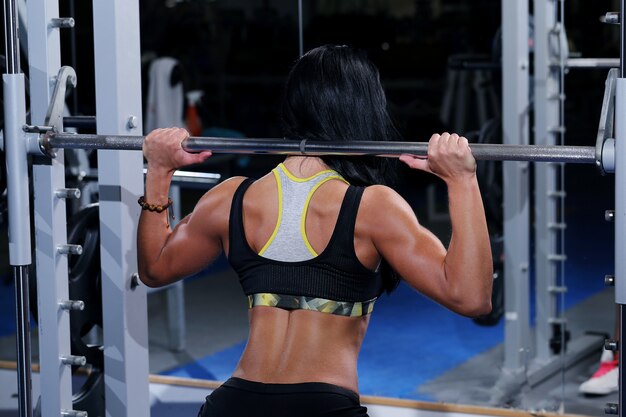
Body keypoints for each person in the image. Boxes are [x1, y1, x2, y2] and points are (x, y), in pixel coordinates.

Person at [137, 45, 493, 417]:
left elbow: (154, 269)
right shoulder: (372, 208)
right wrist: (462, 180)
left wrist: (159, 172)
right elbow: (471, 297)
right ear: (364, 111)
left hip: (232, 405)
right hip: (321, 408)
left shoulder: (232, 198)